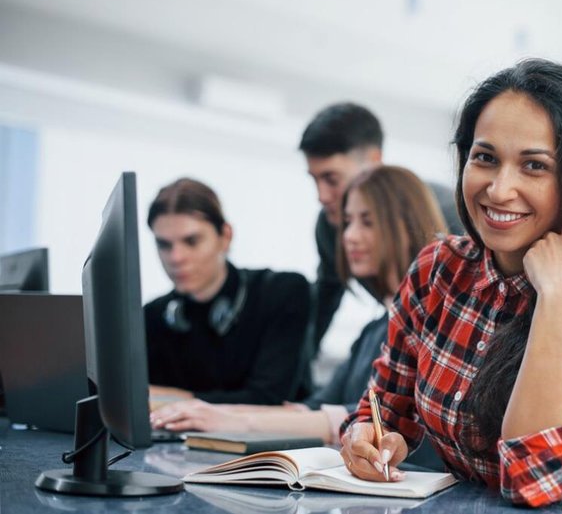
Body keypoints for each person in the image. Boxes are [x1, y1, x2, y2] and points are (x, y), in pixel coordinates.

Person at [338, 59, 562, 512]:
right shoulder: (438, 268)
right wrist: (365, 435)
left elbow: (532, 482)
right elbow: (383, 406)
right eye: (485, 157)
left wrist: (558, 298)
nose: (498, 189)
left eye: (534, 165)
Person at [149, 166, 447, 449]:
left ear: (405, 225)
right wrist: (204, 412)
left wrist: (230, 419)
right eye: (348, 222)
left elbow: (370, 420)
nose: (348, 236)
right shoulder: (373, 330)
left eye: (367, 222)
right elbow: (312, 409)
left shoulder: (434, 322)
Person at [299, 102, 462, 350]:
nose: (321, 196)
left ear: (374, 161)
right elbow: (324, 302)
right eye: (315, 179)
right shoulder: (328, 226)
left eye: (331, 179)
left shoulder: (452, 213)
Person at [145, 178, 312, 405]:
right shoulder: (152, 316)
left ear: (225, 236)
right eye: (164, 245)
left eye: (191, 241)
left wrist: (174, 400)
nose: (176, 258)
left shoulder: (280, 293)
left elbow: (267, 400)